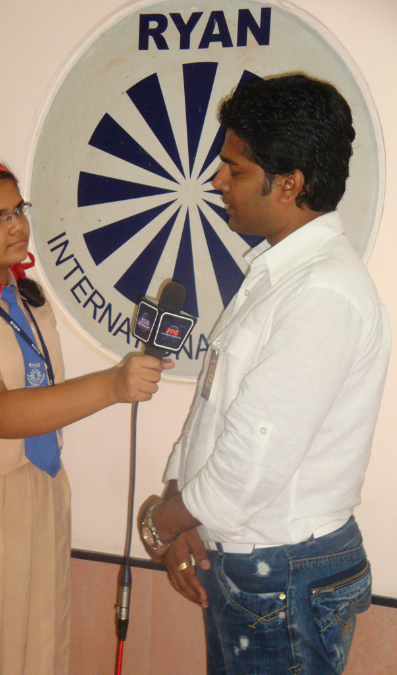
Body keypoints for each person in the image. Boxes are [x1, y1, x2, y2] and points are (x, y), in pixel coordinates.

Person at [138, 74, 391, 674]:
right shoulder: (281, 275)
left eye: (235, 168)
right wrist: (178, 501)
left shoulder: (321, 293)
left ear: (289, 184)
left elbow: (250, 465)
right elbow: (214, 413)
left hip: (283, 576)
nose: (217, 182)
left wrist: (159, 522)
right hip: (258, 567)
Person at [0, 152, 173, 675]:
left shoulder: (27, 299)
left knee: (31, 648)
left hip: (34, 494)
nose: (16, 225)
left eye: (18, 210)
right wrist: (112, 386)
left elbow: (39, 396)